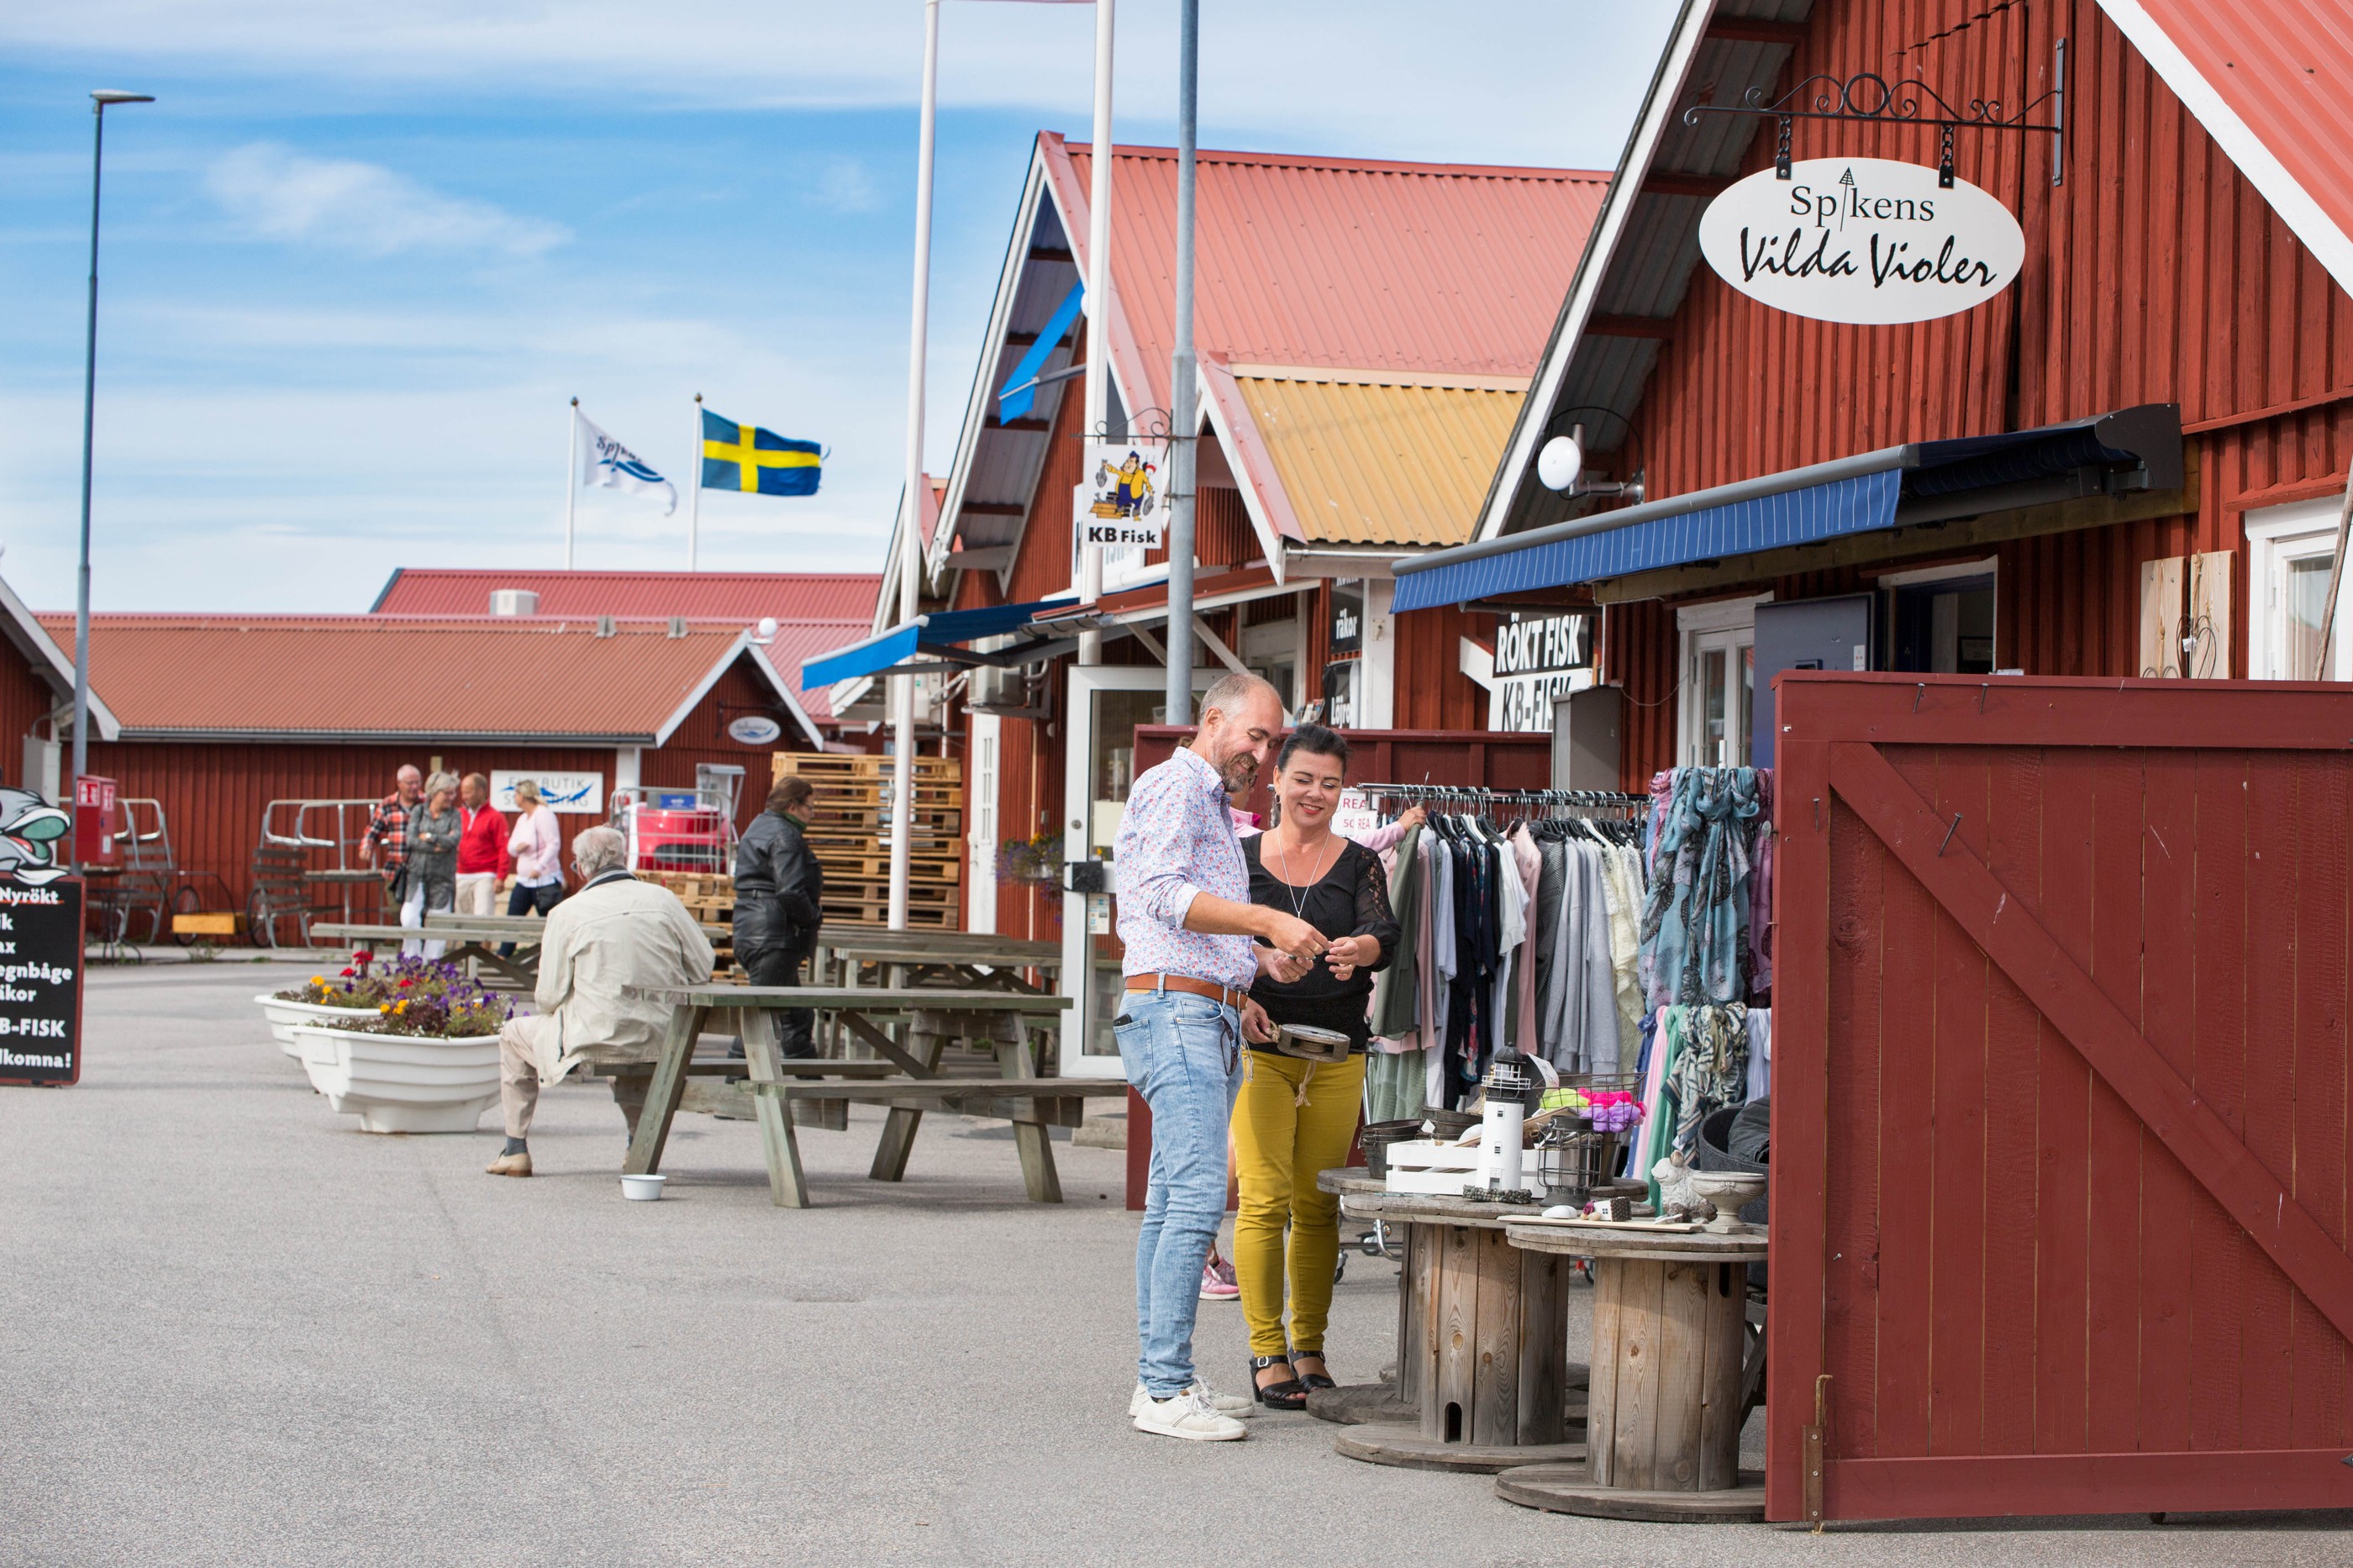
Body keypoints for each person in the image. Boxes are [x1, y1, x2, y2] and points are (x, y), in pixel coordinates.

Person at [1113, 670, 1328, 1443]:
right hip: (1176, 1011)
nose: (1263, 754)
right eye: (1255, 736)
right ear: (1212, 719)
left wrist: (1253, 974)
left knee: (1176, 1200)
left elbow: (1184, 920)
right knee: (1200, 1197)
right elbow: (1163, 892)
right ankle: (1166, 1389)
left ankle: (1159, 1381)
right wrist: (1268, 921)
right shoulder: (1177, 784)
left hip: (1195, 1005)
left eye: (1272, 741)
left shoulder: (1205, 801)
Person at [1231, 723, 1399, 1409]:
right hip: (1262, 1047)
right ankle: (1266, 1349)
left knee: (1318, 1205)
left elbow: (1384, 935)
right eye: (1303, 778)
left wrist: (1358, 947)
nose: (1315, 794)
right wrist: (1239, 995)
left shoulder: (1361, 862)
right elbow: (1214, 937)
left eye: (1330, 783)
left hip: (1338, 1053)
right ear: (1276, 779)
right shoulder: (1240, 857)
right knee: (1264, 1200)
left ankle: (1310, 1347)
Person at [486, 825, 715, 1177]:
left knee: (514, 1034)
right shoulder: (664, 900)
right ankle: (637, 1146)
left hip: (594, 1039)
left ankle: (515, 1149)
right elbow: (703, 967)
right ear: (623, 859)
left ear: (581, 869)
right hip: (663, 1036)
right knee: (635, 1047)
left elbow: (547, 997)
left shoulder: (567, 912)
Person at [732, 776, 825, 1059]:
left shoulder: (757, 827)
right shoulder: (786, 835)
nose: (812, 813)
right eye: (810, 807)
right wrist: (812, 918)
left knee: (796, 1016)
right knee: (758, 1018)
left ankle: (810, 1089)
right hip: (776, 936)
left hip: (751, 930)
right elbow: (791, 893)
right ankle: (729, 1083)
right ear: (793, 806)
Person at [359, 766, 424, 955]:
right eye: (410, 783)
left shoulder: (426, 802)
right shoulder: (388, 804)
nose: (414, 787)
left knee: (419, 915)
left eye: (417, 783)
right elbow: (373, 829)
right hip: (395, 870)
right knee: (397, 913)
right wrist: (366, 847)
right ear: (399, 784)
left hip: (420, 870)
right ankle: (401, 955)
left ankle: (420, 957)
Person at [405, 772, 462, 960]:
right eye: (447, 793)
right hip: (416, 874)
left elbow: (454, 840)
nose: (451, 797)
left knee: (439, 923)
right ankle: (412, 962)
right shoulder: (419, 812)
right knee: (409, 919)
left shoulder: (454, 815)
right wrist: (437, 846)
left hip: (442, 878)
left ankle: (432, 965)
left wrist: (429, 837)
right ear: (434, 792)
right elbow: (412, 840)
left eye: (453, 793)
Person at [455, 773, 511, 918]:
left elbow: (503, 848)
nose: (464, 796)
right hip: (461, 874)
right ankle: (466, 943)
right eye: (462, 792)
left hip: (485, 875)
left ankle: (482, 942)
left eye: (468, 792)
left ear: (480, 791)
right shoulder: (458, 814)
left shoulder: (495, 817)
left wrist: (501, 876)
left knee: (483, 918)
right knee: (460, 919)